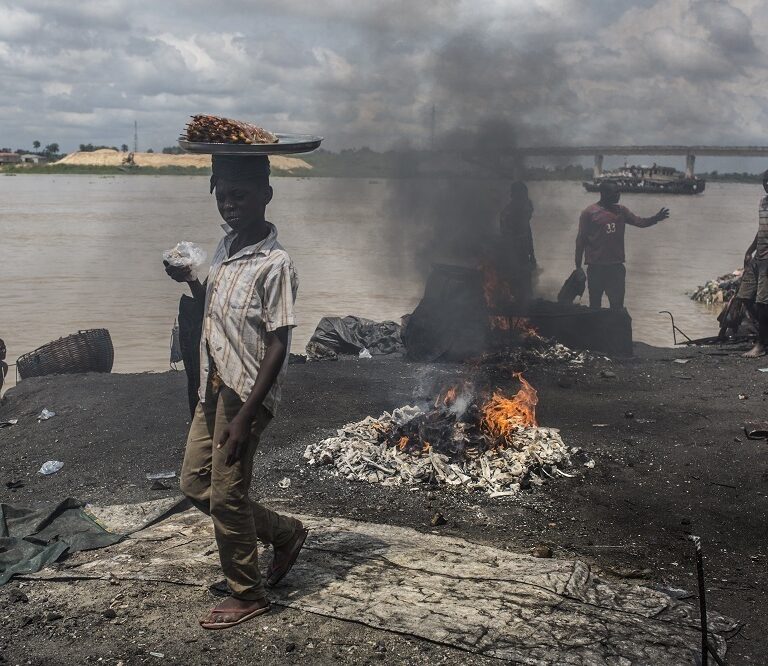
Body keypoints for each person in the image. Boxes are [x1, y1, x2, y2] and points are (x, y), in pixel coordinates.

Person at [165, 154, 307, 630]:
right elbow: (218, 313)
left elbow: (279, 342)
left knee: (227, 495)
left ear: (265, 196)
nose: (228, 205)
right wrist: (191, 282)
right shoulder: (226, 247)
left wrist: (247, 414)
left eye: (239, 196)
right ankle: (284, 534)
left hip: (246, 392)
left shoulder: (276, 263)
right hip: (214, 383)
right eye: (222, 196)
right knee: (193, 484)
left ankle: (248, 594)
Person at [575, 181, 669, 310]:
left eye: (619, 192)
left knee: (617, 307)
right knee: (595, 306)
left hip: (616, 268)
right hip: (596, 268)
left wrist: (656, 218)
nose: (618, 195)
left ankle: (614, 329)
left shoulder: (621, 211)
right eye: (615, 193)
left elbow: (640, 222)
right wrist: (578, 267)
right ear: (604, 194)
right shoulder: (589, 213)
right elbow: (580, 240)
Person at [736, 170, 768, 357]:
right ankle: (764, 336)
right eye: (765, 181)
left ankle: (760, 345)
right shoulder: (762, 202)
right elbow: (761, 230)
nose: (767, 184)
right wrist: (750, 250)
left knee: (763, 302)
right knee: (745, 296)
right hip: (758, 257)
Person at [499, 180, 536, 307]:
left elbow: (528, 234)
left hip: (524, 254)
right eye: (521, 196)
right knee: (516, 288)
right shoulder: (507, 214)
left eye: (525, 196)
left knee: (526, 290)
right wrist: (514, 263)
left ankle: (527, 310)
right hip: (512, 257)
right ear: (514, 196)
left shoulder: (524, 210)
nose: (524, 199)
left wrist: (532, 256)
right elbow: (507, 240)